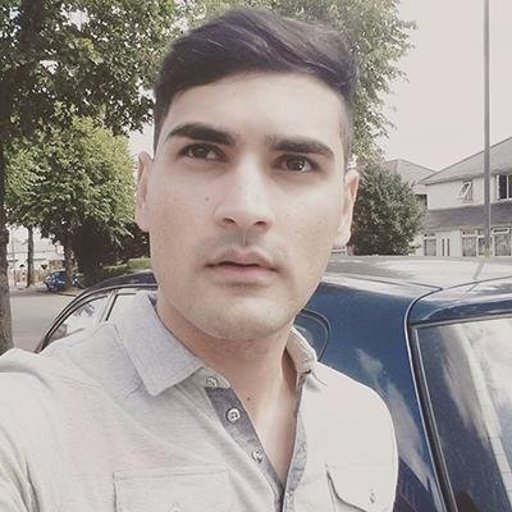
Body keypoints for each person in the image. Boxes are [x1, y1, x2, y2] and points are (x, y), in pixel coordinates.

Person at [0, 8, 398, 511]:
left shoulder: (365, 423)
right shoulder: (25, 430)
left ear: (345, 208)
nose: (246, 209)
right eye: (203, 152)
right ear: (144, 190)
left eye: (296, 163)